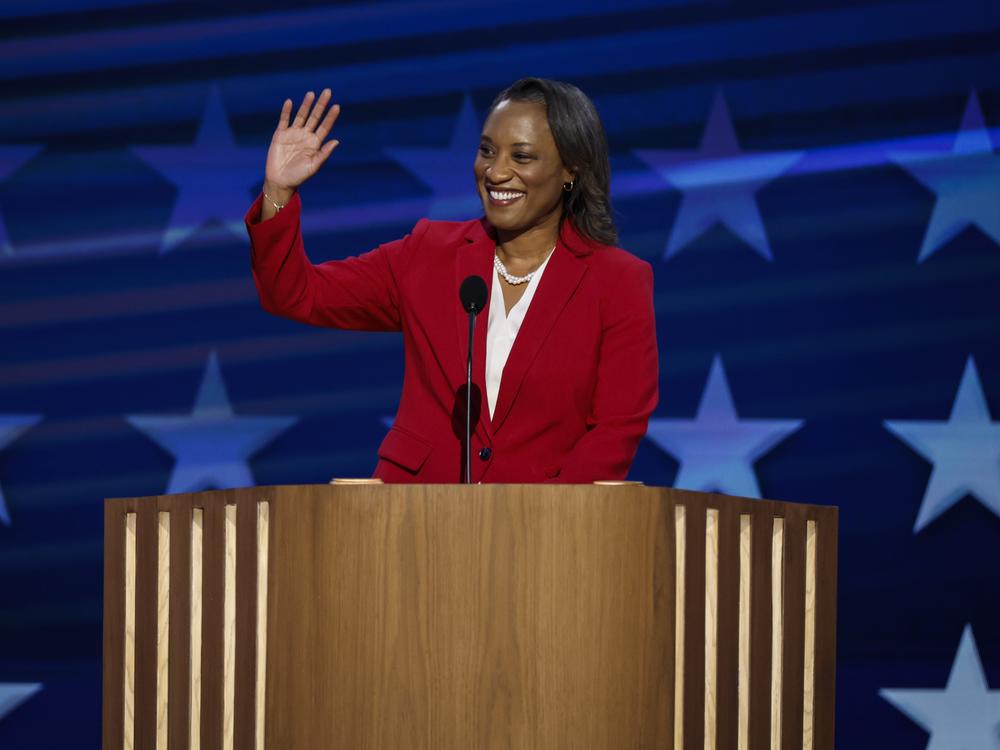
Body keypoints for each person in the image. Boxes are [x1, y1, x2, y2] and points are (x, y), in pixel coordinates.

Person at [245, 77, 658, 483]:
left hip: (542, 532)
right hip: (413, 521)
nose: (496, 172)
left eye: (522, 156)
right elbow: (297, 294)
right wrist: (277, 191)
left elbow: (616, 429)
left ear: (571, 169)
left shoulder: (617, 282)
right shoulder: (429, 254)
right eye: (487, 151)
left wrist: (545, 525)